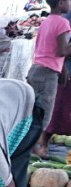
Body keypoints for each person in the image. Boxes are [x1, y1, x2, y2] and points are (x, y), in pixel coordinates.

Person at [26, 0, 71, 158]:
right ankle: (32, 147)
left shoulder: (46, 21)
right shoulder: (63, 23)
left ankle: (28, 145)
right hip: (47, 74)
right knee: (44, 115)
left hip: (36, 70)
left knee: (32, 112)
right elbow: (62, 51)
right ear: (60, 3)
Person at [45, 9, 71, 137]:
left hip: (58, 67)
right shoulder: (64, 21)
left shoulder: (52, 20)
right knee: (55, 111)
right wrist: (64, 68)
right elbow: (62, 50)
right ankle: (41, 143)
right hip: (61, 68)